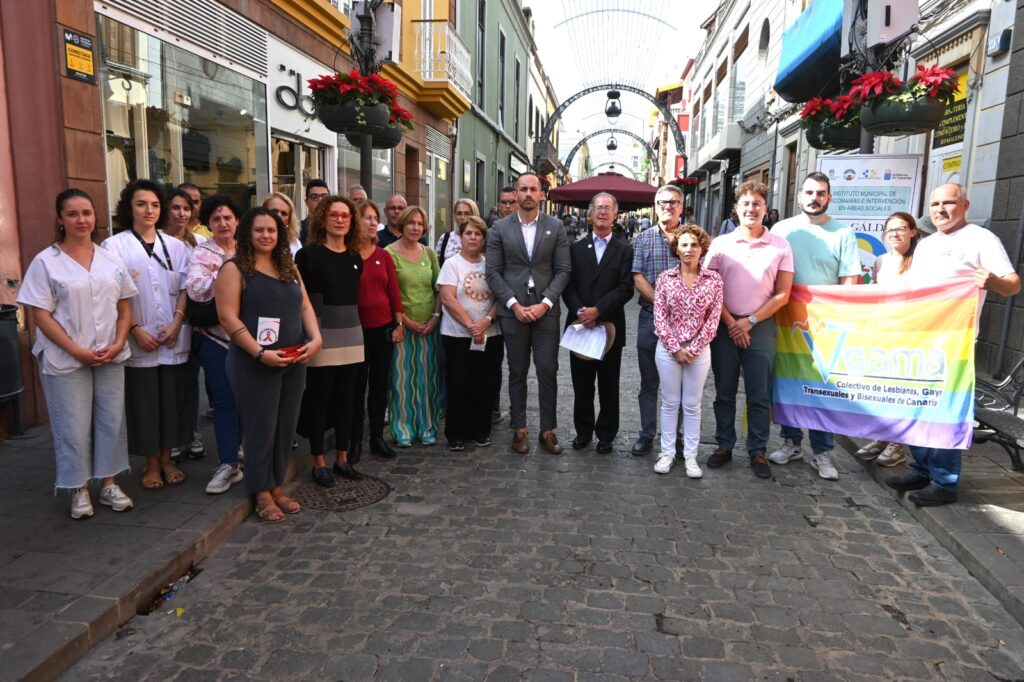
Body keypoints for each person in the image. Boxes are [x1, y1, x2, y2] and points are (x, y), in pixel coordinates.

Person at [888, 184, 1020, 506]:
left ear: (965, 205)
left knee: (945, 412)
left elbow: (1013, 285)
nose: (941, 209)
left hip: (954, 342)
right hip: (920, 339)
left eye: (949, 202)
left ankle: (944, 482)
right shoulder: (927, 244)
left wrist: (992, 282)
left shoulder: (982, 239)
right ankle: (921, 468)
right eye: (935, 203)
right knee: (918, 406)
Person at [17, 189, 137, 519]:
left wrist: (118, 341)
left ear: (95, 216)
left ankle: (109, 483)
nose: (81, 220)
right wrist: (77, 351)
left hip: (110, 354)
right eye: (72, 214)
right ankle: (78, 488)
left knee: (111, 421)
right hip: (67, 359)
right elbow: (40, 314)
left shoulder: (110, 258)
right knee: (73, 425)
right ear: (60, 219)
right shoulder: (46, 262)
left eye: (87, 212)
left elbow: (125, 307)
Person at [217, 207, 322, 523]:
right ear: (247, 233)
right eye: (259, 230)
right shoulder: (234, 269)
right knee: (260, 427)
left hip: (293, 357)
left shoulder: (288, 266)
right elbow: (227, 317)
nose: (266, 235)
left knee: (284, 425)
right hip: (255, 362)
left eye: (272, 230)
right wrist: (259, 352)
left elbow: (304, 305)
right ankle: (261, 491)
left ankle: (276, 483)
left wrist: (315, 339)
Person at [770, 172, 862, 480]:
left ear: (829, 197)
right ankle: (791, 442)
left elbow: (850, 279)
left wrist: (842, 317)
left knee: (823, 385)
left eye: (821, 193)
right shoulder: (782, 229)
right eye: (809, 192)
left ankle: (822, 451)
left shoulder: (843, 232)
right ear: (799, 197)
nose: (814, 198)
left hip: (825, 323)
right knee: (789, 379)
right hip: (785, 319)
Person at [103, 179, 192, 491]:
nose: (149, 210)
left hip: (173, 337)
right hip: (137, 338)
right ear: (129, 208)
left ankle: (168, 458)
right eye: (141, 204)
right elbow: (111, 295)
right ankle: (151, 462)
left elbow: (184, 289)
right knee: (144, 403)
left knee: (171, 401)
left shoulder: (178, 247)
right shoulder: (114, 247)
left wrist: (177, 322)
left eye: (155, 204)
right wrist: (134, 330)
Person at [704, 181, 794, 479]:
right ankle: (724, 445)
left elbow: (782, 294)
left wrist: (750, 321)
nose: (751, 209)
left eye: (757, 203)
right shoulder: (720, 244)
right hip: (725, 326)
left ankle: (757, 450)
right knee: (724, 391)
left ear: (765, 209)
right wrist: (732, 323)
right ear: (737, 209)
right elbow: (711, 289)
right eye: (745, 203)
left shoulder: (780, 245)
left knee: (759, 394)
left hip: (761, 326)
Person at [485, 172, 571, 455]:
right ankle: (519, 429)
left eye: (533, 189)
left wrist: (545, 303)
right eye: (523, 189)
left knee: (548, 370)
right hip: (514, 312)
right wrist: (512, 304)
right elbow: (493, 272)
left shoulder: (556, 227)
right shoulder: (499, 228)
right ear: (517, 194)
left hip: (546, 311)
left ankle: (548, 429)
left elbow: (563, 271)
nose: (528, 194)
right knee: (517, 371)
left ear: (541, 194)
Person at [295, 196, 366, 487]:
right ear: (322, 218)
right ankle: (319, 462)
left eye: (346, 216)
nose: (340, 219)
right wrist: (313, 334)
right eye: (334, 214)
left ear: (352, 221)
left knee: (347, 400)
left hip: (352, 333)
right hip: (322, 335)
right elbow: (303, 301)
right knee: (319, 399)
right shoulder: (308, 255)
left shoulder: (354, 257)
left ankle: (342, 458)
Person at [563, 193, 634, 454]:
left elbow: (626, 288)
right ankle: (583, 432)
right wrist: (582, 311)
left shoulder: (625, 250)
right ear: (590, 214)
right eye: (598, 208)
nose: (602, 212)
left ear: (616, 215)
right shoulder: (575, 249)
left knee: (608, 385)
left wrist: (598, 310)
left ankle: (606, 434)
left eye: (608, 208)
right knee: (582, 385)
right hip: (580, 326)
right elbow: (567, 286)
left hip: (609, 328)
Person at [653, 224, 722, 477]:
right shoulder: (664, 279)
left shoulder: (713, 279)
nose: (689, 249)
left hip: (699, 352)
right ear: (676, 249)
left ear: (702, 248)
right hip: (668, 351)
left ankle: (690, 456)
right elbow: (659, 317)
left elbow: (713, 320)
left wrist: (692, 348)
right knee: (670, 403)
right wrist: (675, 348)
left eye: (694, 244)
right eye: (684, 244)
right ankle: (667, 453)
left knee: (692, 405)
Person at [187, 195, 245, 495]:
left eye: (228, 218)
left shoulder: (249, 248)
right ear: (208, 224)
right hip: (215, 339)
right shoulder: (201, 253)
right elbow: (196, 290)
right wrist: (227, 271)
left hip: (248, 337)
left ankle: (239, 448)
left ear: (237, 220)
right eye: (216, 219)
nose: (223, 223)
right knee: (224, 401)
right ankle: (227, 463)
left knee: (247, 400)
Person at [856, 212, 921, 468]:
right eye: (890, 229)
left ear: (913, 231)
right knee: (883, 389)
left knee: (902, 390)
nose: (895, 233)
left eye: (901, 228)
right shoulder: (881, 260)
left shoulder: (921, 261)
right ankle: (883, 437)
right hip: (884, 333)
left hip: (910, 334)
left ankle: (898, 444)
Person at [631, 185, 686, 457]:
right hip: (650, 317)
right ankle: (646, 434)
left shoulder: (692, 237)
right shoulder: (642, 239)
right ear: (655, 206)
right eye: (663, 202)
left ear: (681, 206)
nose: (668, 206)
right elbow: (637, 276)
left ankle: (674, 437)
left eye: (674, 202)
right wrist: (662, 304)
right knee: (649, 381)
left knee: (679, 383)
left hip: (685, 322)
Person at [438, 215, 502, 450]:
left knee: (483, 383)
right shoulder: (452, 264)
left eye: (478, 234)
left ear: (484, 238)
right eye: (468, 233)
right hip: (457, 334)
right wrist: (470, 325)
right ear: (461, 236)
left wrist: (485, 321)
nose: (473, 237)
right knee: (458, 383)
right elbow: (447, 298)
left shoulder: (491, 264)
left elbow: (500, 296)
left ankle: (481, 430)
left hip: (490, 333)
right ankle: (456, 434)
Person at [351, 199, 404, 460]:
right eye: (367, 218)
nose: (373, 223)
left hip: (382, 330)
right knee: (356, 387)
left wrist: (399, 324)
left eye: (374, 218)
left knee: (380, 385)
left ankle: (376, 438)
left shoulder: (384, 255)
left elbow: (394, 293)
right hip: (354, 332)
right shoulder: (347, 254)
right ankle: (353, 441)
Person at [386, 206, 442, 446]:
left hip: (429, 327)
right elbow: (388, 293)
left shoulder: (429, 253)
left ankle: (428, 426)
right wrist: (406, 321)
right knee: (402, 380)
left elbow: (439, 287)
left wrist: (435, 318)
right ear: (402, 225)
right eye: (411, 223)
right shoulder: (388, 253)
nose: (415, 228)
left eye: (420, 224)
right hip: (402, 327)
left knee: (428, 379)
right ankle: (403, 429)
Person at [164, 188, 205, 463]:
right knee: (169, 385)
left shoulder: (198, 242)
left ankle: (190, 433)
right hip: (162, 322)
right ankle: (171, 438)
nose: (181, 213)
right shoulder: (155, 242)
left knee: (190, 382)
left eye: (187, 208)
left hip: (195, 322)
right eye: (176, 207)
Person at [436, 198, 479, 267]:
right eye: (459, 213)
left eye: (467, 213)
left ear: (475, 215)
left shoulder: (480, 239)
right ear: (454, 216)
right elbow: (437, 266)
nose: (462, 217)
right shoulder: (445, 238)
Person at [299, 179, 330, 244]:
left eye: (324, 196)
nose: (320, 200)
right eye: (314, 197)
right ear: (306, 202)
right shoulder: (299, 230)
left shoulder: (338, 226)